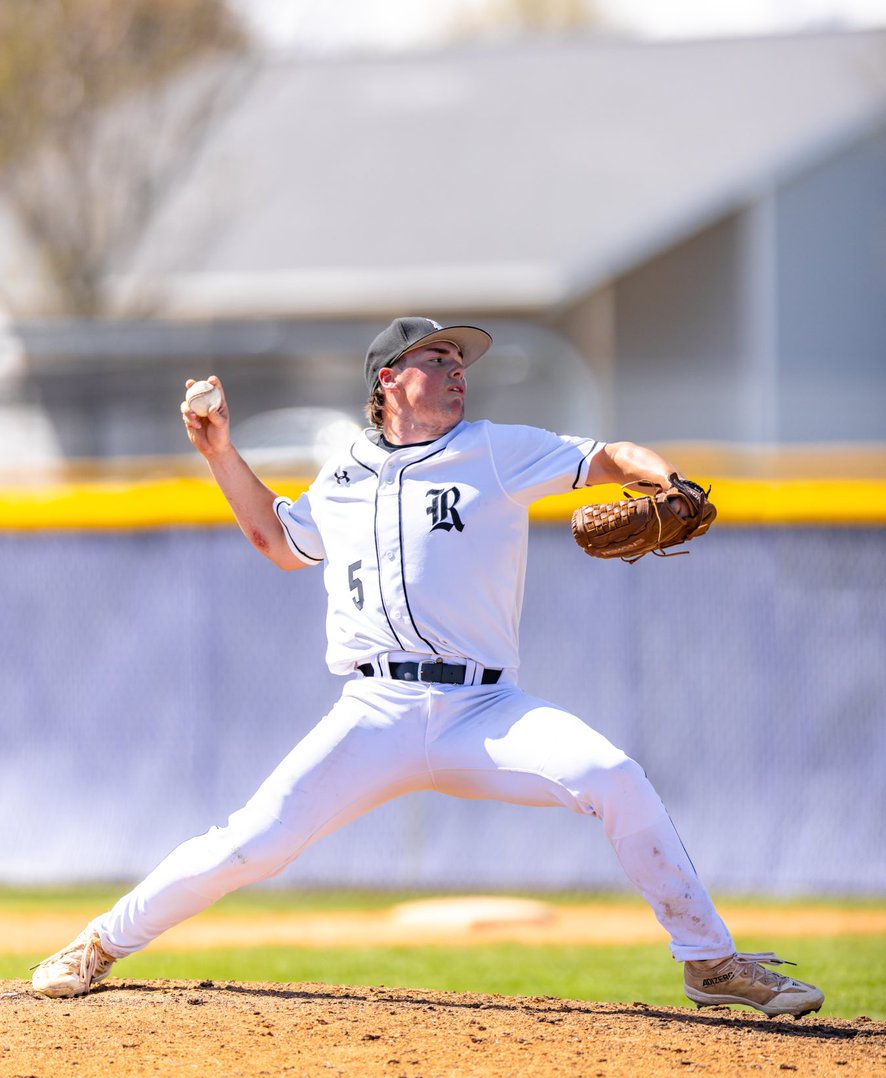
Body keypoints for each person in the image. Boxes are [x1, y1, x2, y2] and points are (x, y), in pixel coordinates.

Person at [32, 316, 823, 1018]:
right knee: (251, 845)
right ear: (389, 381)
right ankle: (98, 945)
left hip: (485, 712)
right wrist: (219, 451)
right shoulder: (342, 472)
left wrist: (663, 479)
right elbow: (278, 543)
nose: (458, 370)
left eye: (461, 360)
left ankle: (711, 962)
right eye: (438, 358)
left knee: (613, 774)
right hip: (372, 712)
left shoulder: (496, 450)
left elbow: (608, 455)